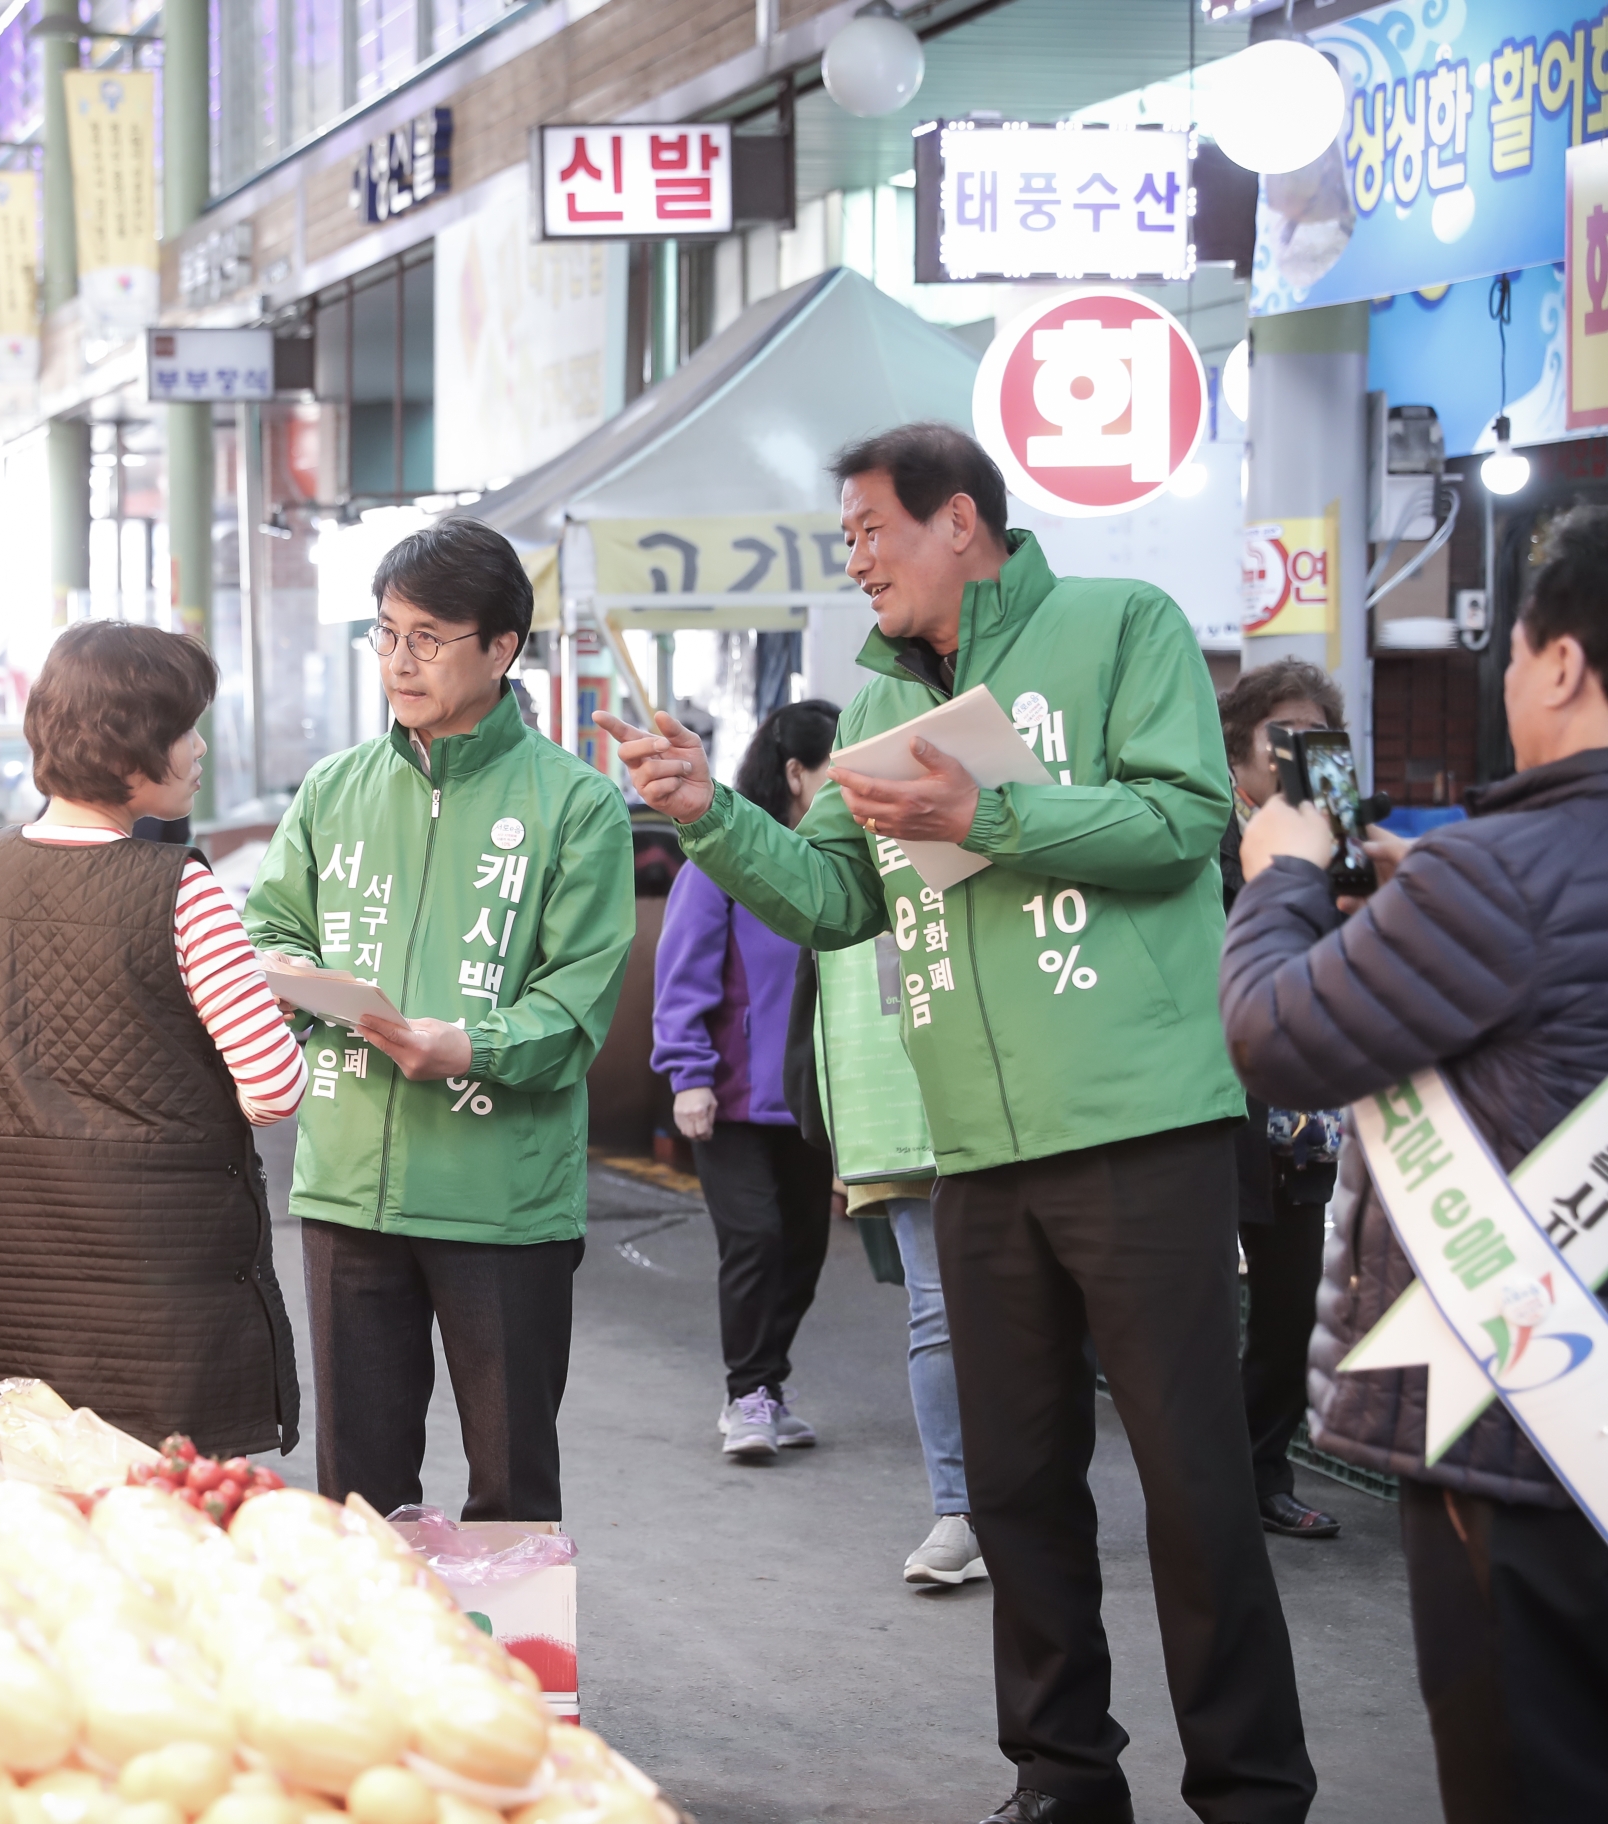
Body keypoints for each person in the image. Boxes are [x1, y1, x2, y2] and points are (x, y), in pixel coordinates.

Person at [597, 422, 1312, 1824]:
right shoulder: (874, 703)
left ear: (961, 522)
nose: (856, 561)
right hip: (973, 1148)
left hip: (1140, 1129)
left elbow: (1183, 823)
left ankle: (1250, 1790)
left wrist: (992, 814)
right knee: (1016, 1486)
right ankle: (1061, 1778)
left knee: (1194, 1484)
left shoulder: (1122, 624)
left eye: (871, 530)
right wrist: (708, 816)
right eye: (848, 538)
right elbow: (836, 900)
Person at [1222, 504, 1608, 1824]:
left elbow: (1278, 1036)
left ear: (1561, 663)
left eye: (1515, 651)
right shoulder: (1477, 883)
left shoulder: (1494, 877)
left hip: (1528, 1429)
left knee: (1531, 1774)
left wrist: (1283, 880)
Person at [245, 518, 635, 1522]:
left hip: (497, 1195)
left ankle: (513, 1636)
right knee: (358, 1494)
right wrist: (285, 977)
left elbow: (575, 1002)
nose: (400, 660)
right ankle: (379, 1635)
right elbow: (272, 926)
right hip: (347, 1188)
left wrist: (466, 1046)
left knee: (511, 1489)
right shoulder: (335, 788)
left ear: (501, 649)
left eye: (428, 637)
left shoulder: (576, 805)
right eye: (386, 633)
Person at [0, 621, 304, 1453]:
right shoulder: (182, 891)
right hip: (166, 1289)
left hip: (25, 1274)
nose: (200, 749)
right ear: (130, 749)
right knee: (167, 1502)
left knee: (46, 1493)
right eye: (185, 729)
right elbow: (274, 1090)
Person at [651, 699, 841, 1464]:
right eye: (837, 772)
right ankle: (748, 1394)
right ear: (796, 774)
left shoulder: (838, 866)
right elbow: (682, 970)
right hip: (728, 1099)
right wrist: (688, 1074)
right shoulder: (724, 856)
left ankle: (768, 1386)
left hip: (812, 1099)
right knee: (755, 1239)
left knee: (804, 1248)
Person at [1215, 660, 1355, 1542]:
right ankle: (1207, 1487)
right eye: (1284, 736)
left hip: (1306, 1115)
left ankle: (1264, 1472)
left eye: (1317, 734)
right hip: (1214, 1108)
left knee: (1289, 1309)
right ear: (1240, 758)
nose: (1302, 751)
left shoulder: (1345, 844)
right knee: (1195, 1312)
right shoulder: (1205, 840)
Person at [781, 945, 974, 1586]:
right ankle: (958, 1510)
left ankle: (1033, 1502)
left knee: (1042, 1308)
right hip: (899, 1101)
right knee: (936, 1306)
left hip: (1021, 1085)